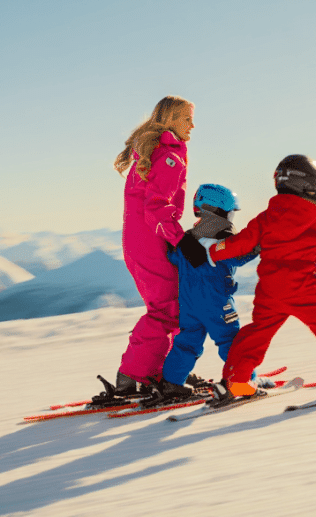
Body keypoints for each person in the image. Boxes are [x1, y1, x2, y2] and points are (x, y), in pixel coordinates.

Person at [207, 154, 316, 400]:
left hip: (269, 288)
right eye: (315, 184)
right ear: (304, 184)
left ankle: (236, 382)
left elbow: (240, 242)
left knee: (257, 333)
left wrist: (214, 251)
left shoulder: (266, 218)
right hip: (302, 287)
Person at [96, 96, 209, 405]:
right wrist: (183, 242)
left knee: (173, 305)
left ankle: (166, 372)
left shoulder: (157, 152)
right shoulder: (168, 156)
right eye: (187, 119)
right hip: (150, 239)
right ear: (171, 119)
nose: (192, 125)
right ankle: (133, 376)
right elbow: (156, 209)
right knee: (167, 309)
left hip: (142, 238)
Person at [151, 184, 259, 404]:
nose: (231, 218)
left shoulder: (186, 240)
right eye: (230, 213)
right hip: (216, 302)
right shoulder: (224, 240)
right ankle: (243, 381)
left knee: (187, 343)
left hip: (189, 305)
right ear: (217, 211)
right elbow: (239, 256)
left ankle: (171, 384)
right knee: (230, 341)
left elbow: (173, 258)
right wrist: (258, 246)